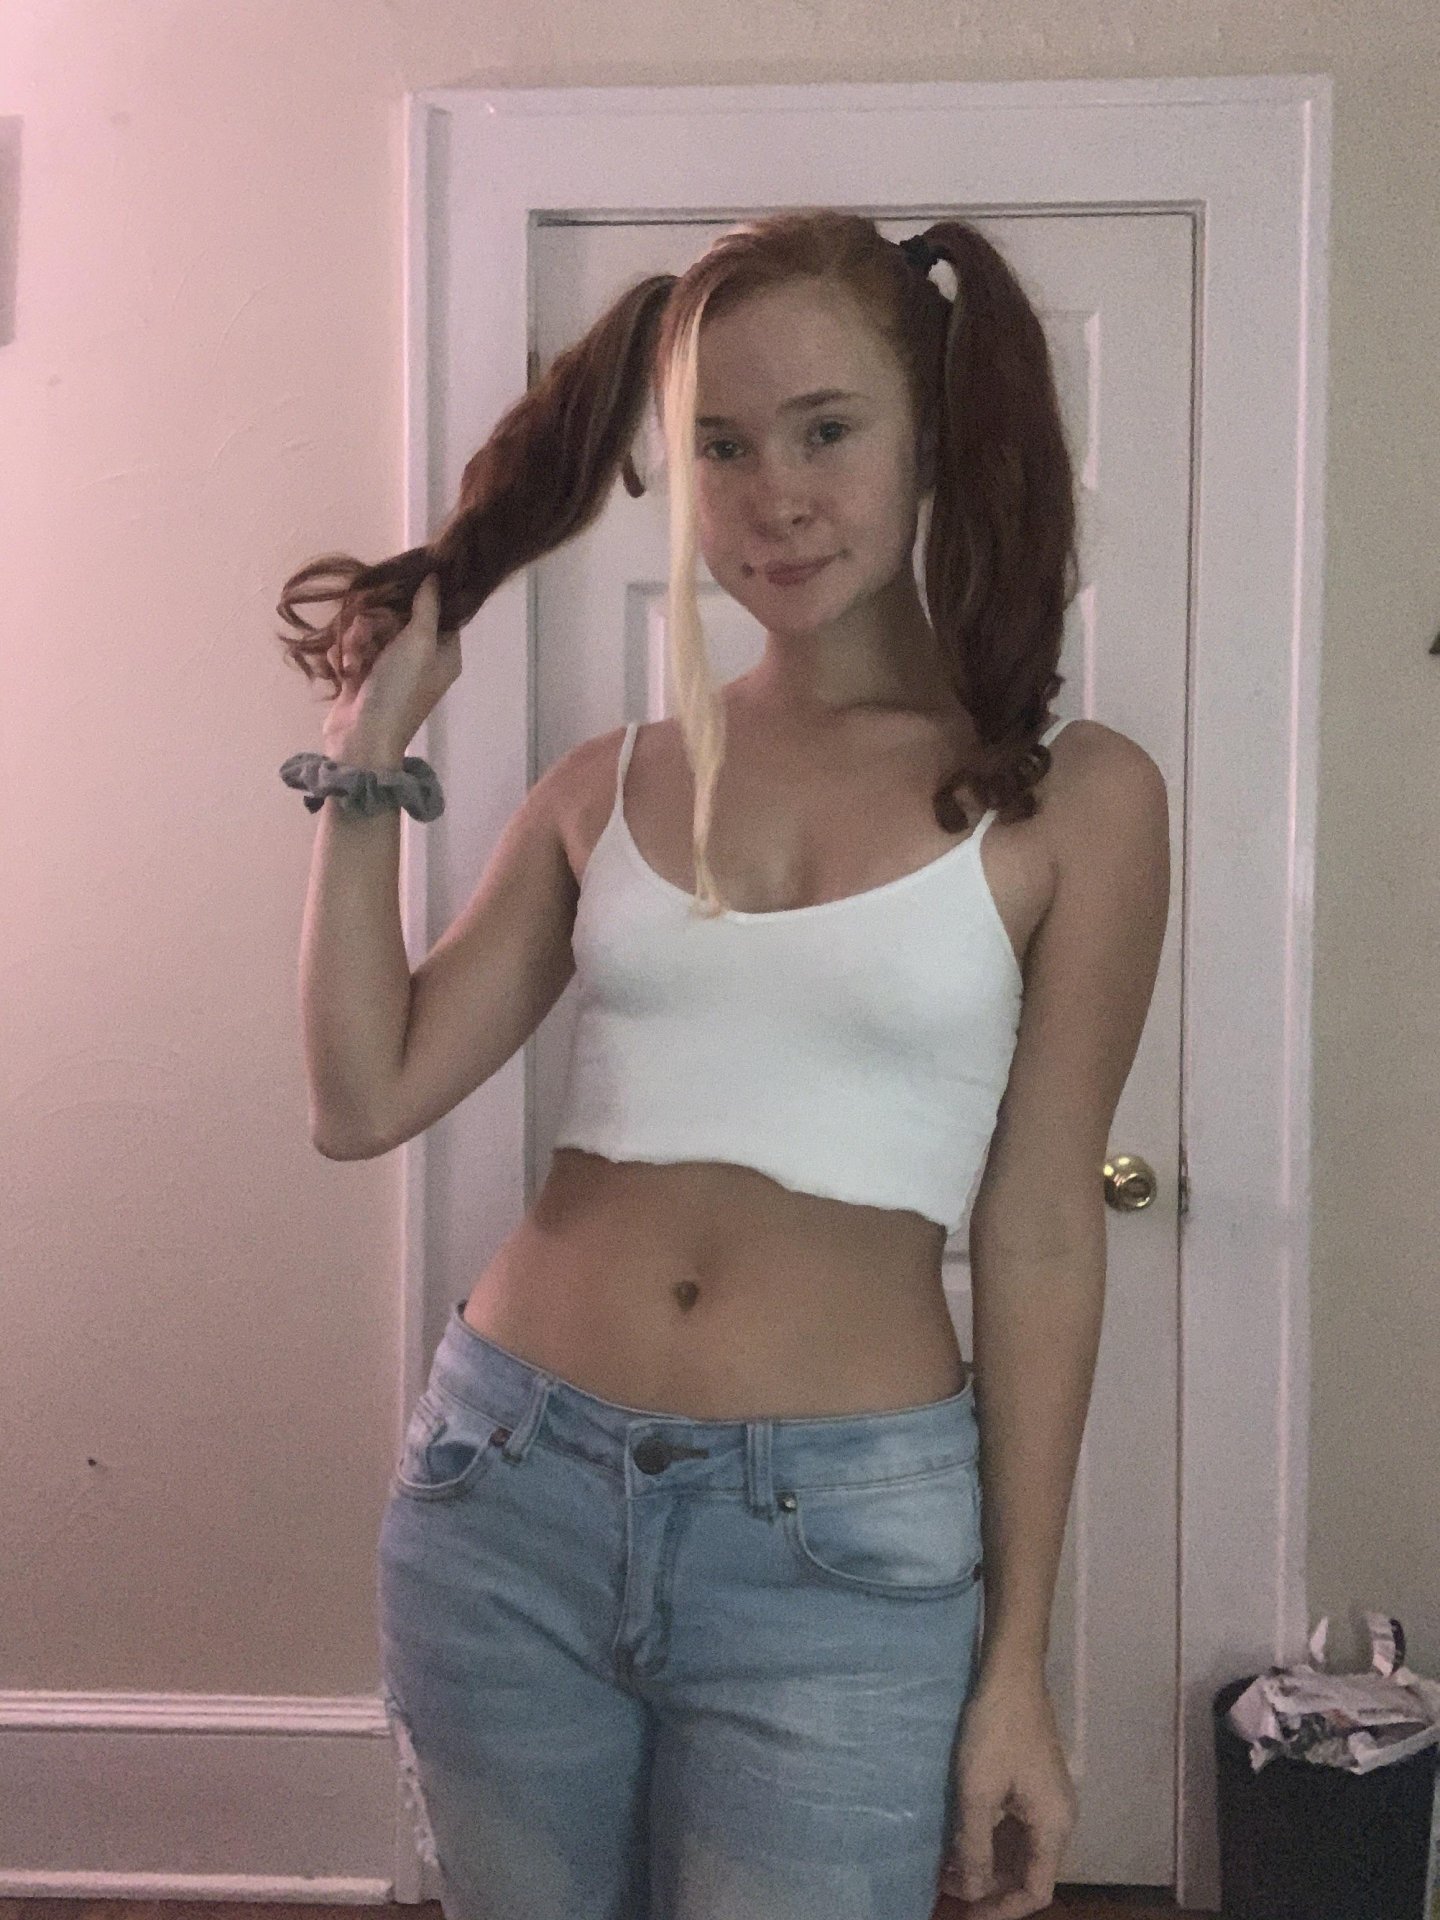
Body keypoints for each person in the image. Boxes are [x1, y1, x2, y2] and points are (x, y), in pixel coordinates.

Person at [278, 208, 1170, 1920]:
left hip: (841, 1544)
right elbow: (360, 1096)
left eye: (828, 430)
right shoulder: (606, 779)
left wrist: (1018, 1664)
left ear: (929, 439)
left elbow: (1048, 1230)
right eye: (723, 446)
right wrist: (366, 758)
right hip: (506, 1492)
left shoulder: (1080, 800)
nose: (778, 498)